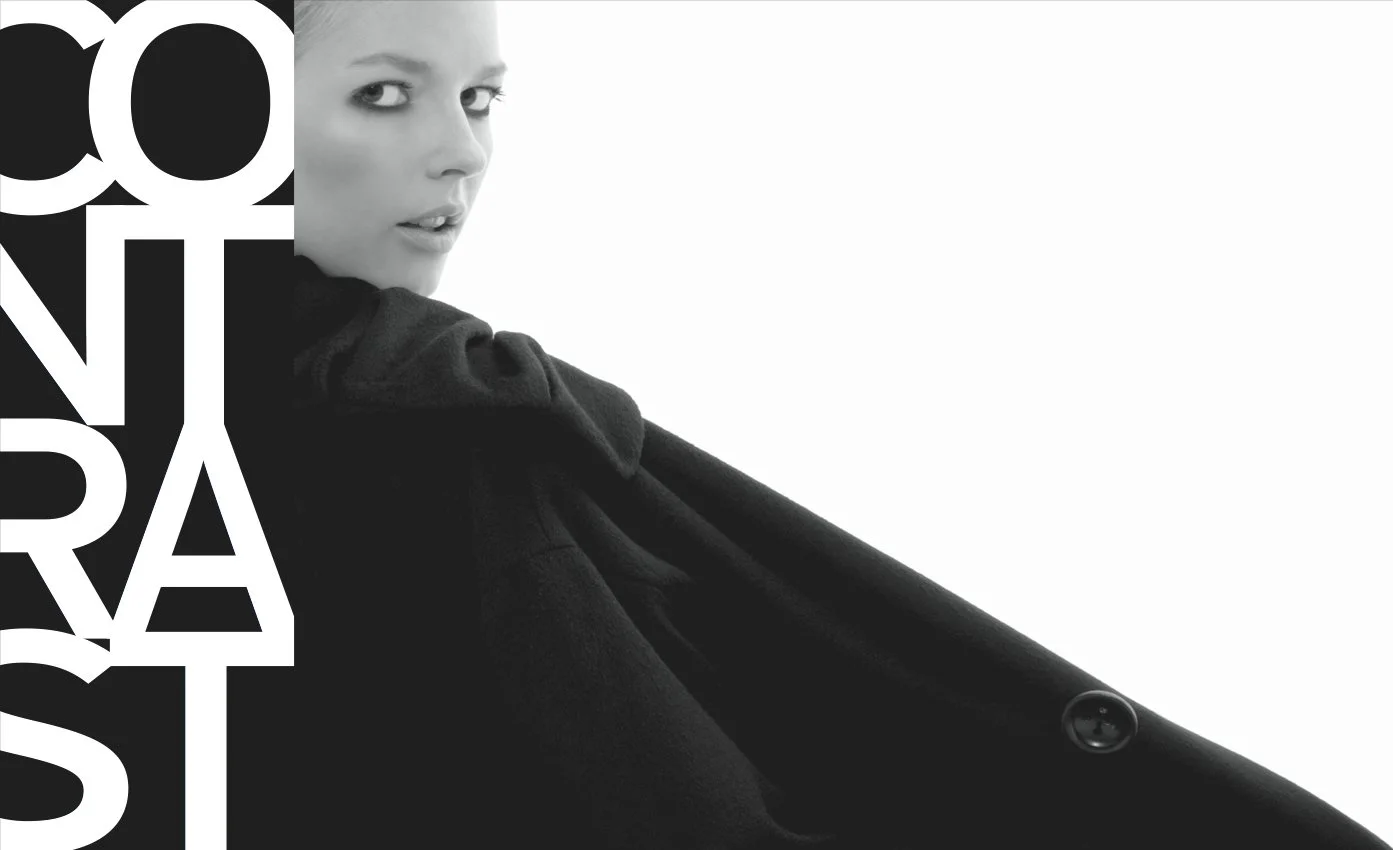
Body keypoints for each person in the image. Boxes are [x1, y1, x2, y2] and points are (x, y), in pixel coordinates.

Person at [275, 2, 1392, 847]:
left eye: (482, 99)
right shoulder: (441, 438)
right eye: (385, 94)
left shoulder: (205, 422)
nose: (463, 152)